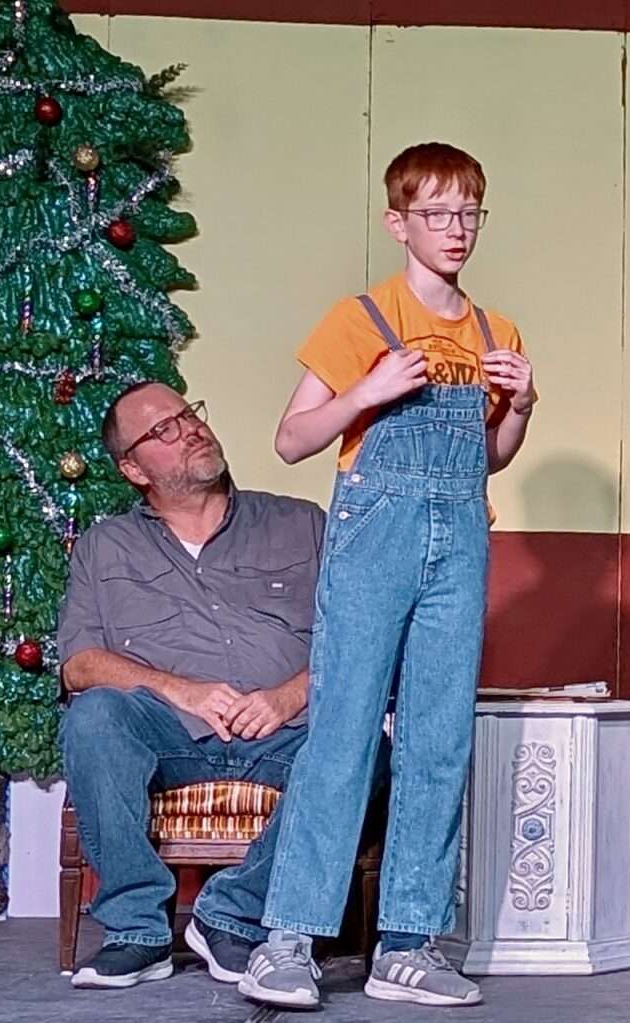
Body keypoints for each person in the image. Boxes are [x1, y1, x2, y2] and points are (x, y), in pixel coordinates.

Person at [237, 142, 537, 1009]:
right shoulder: (360, 320)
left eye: (469, 212)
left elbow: (489, 458)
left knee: (440, 737)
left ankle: (408, 941)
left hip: (458, 536)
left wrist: (518, 404)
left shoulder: (496, 333)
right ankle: (285, 938)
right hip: (377, 534)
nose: (456, 230)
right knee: (343, 731)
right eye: (438, 214)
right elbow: (293, 439)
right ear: (397, 222)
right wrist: (367, 392)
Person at [59, 381, 325, 989]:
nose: (191, 430)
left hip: (288, 734)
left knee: (364, 749)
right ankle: (138, 932)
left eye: (189, 415)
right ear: (132, 468)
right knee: (94, 716)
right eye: (164, 431)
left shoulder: (301, 525)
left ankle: (232, 912)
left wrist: (288, 695)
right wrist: (181, 690)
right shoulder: (105, 547)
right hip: (170, 736)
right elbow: (80, 663)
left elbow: (359, 640)